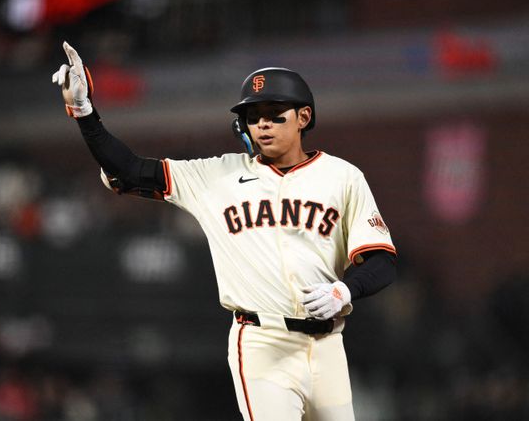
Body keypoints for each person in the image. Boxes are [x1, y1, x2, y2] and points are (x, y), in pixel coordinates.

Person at [52, 41, 397, 421]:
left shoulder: (342, 177)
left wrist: (344, 290)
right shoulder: (217, 176)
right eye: (253, 115)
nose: (262, 123)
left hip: (328, 344)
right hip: (262, 342)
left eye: (274, 114)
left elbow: (381, 261)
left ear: (303, 117)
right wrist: (84, 112)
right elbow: (130, 170)